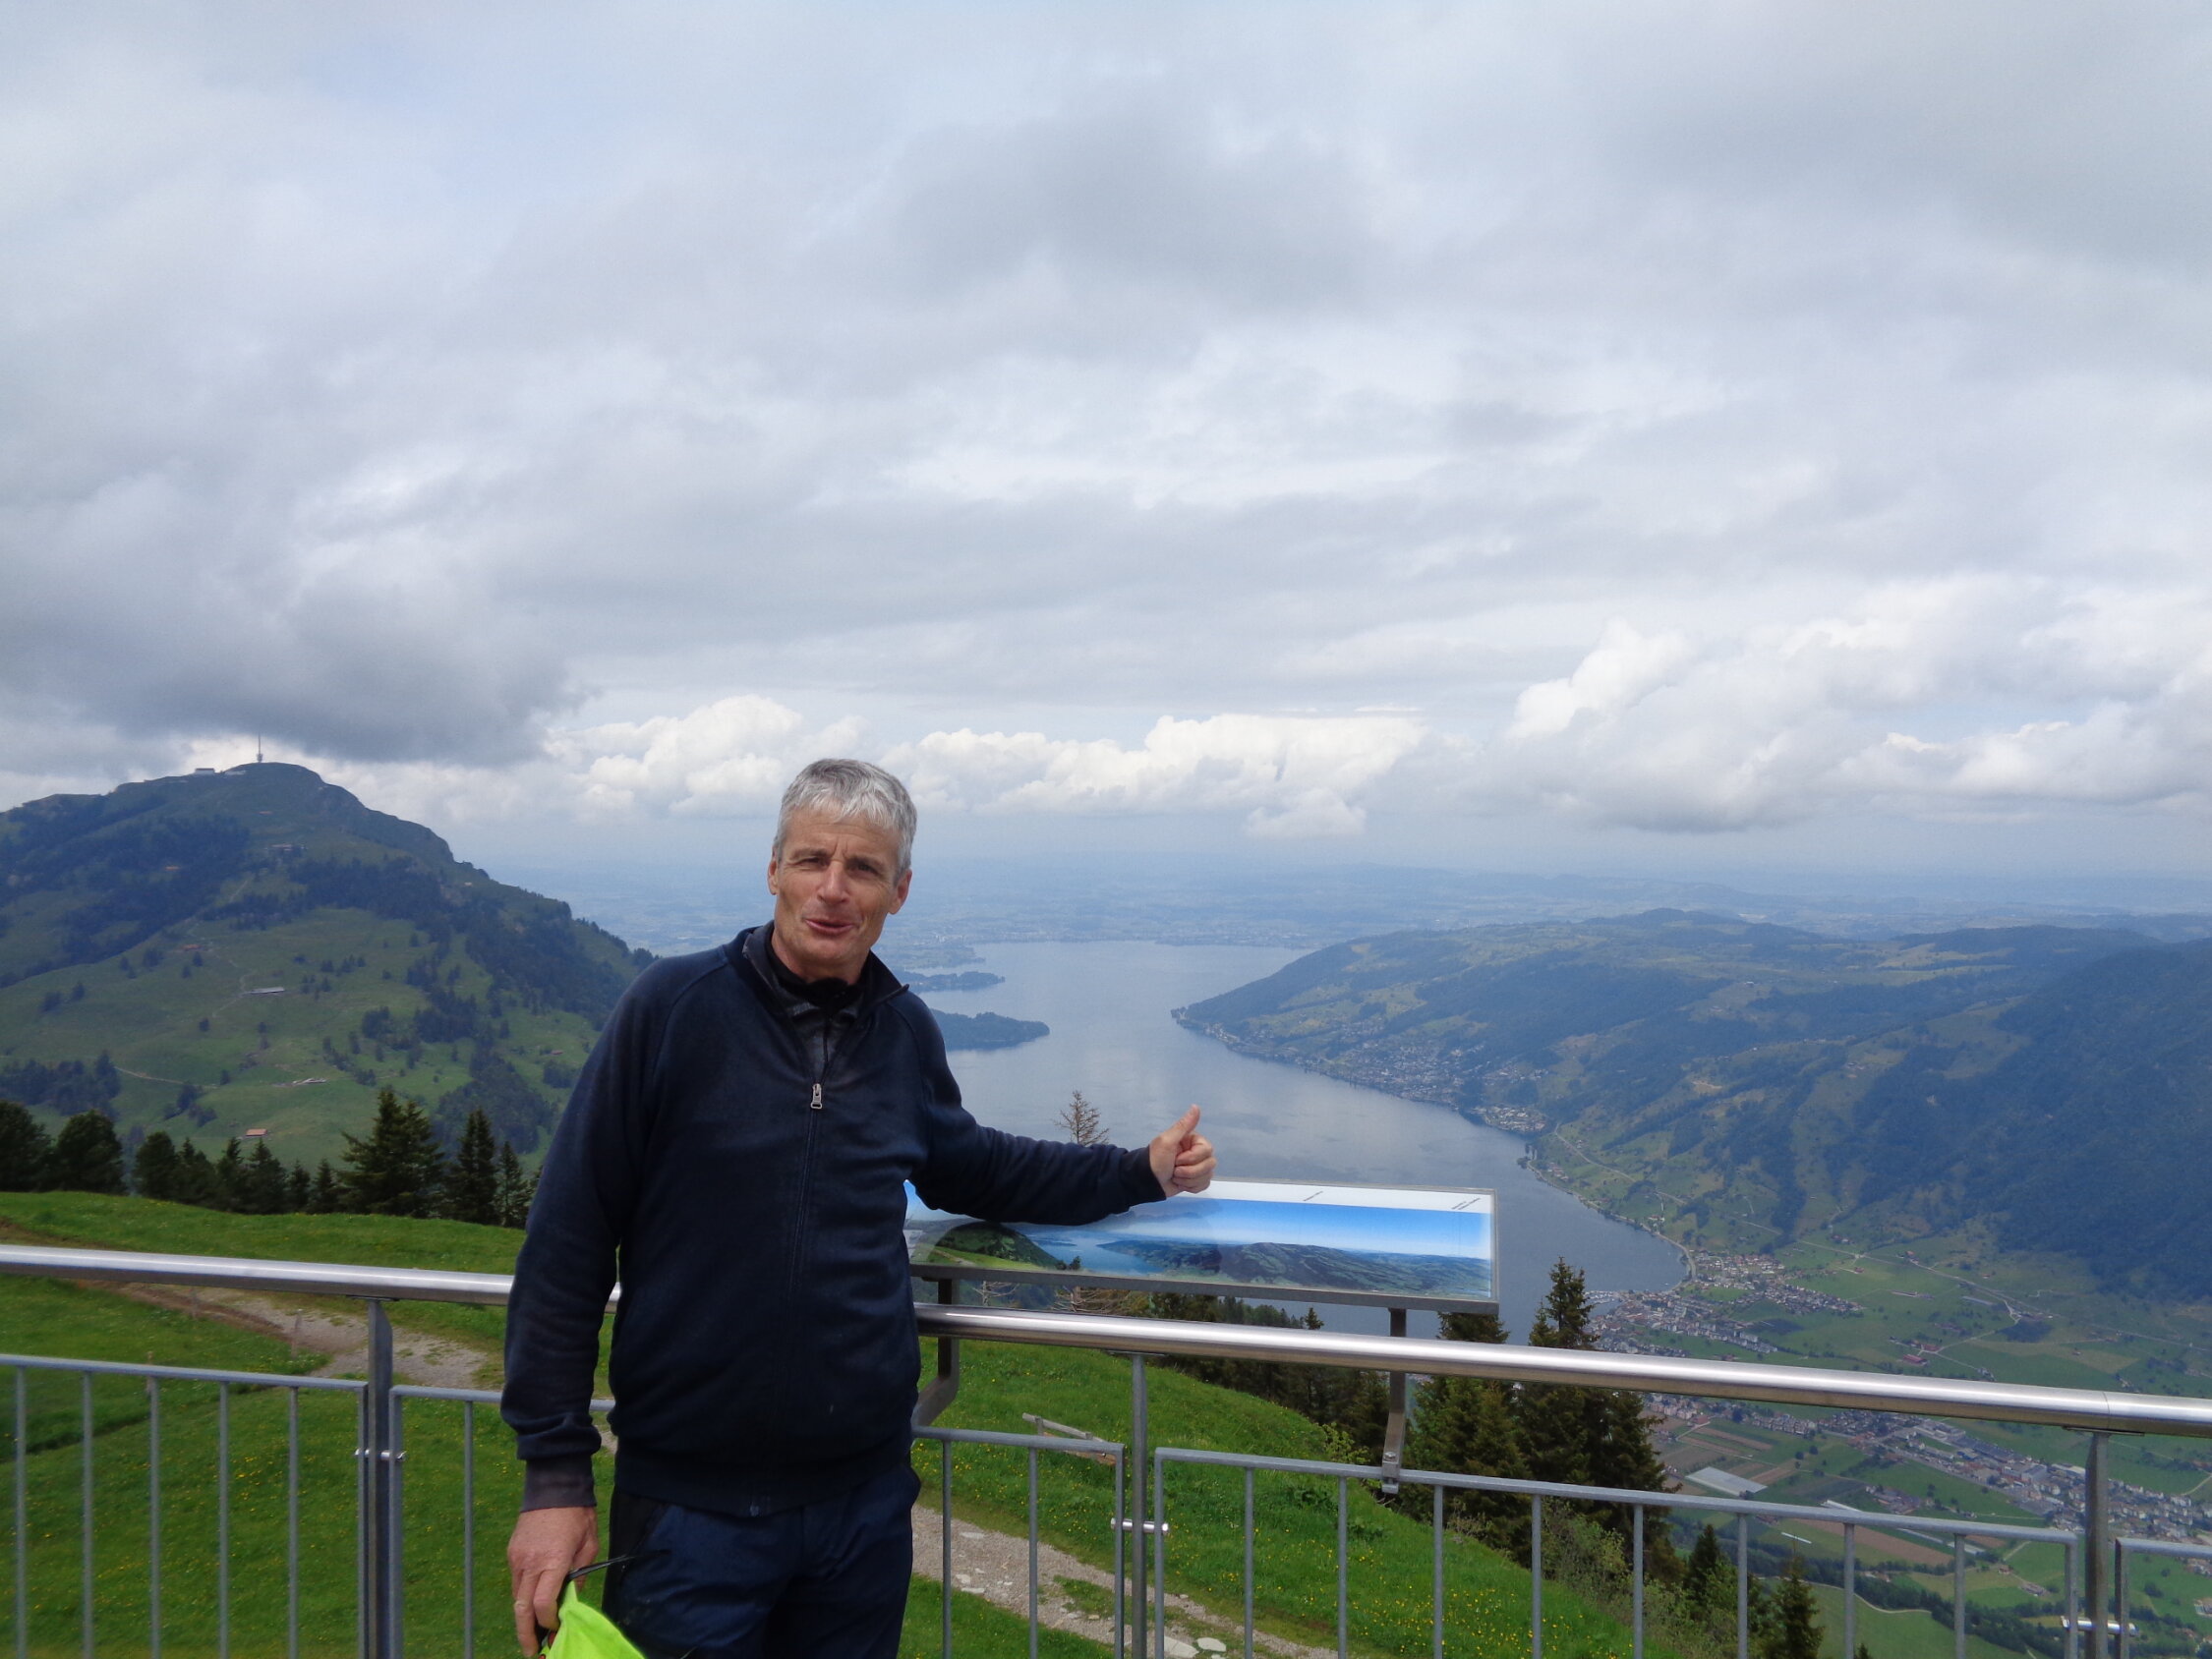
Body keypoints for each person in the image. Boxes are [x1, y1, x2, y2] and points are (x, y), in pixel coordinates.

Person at [501, 758, 1216, 1658]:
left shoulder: (903, 1033)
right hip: (689, 1509)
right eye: (812, 860)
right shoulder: (672, 1012)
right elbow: (567, 1242)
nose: (833, 889)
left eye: (864, 868)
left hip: (862, 1507)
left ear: (899, 891)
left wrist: (1139, 1171)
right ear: (774, 870)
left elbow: (977, 1168)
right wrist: (554, 1477)